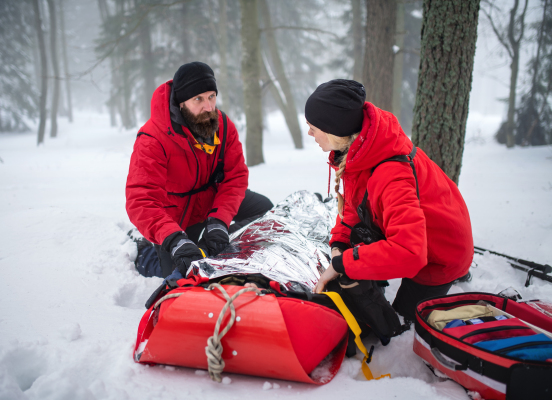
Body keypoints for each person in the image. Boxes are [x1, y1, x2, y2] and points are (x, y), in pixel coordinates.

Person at [306, 79, 473, 321]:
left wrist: (343, 264)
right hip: (417, 235)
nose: (309, 133)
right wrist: (339, 245)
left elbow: (410, 252)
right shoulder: (360, 150)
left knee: (399, 324)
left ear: (334, 129)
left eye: (313, 126)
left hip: (439, 256)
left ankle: (452, 280)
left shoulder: (391, 174)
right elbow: (353, 207)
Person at [126, 62, 273, 279]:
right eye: (198, 99)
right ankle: (145, 250)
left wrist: (219, 221)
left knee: (265, 210)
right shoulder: (152, 139)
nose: (208, 107)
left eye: (211, 96)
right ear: (181, 102)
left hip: (211, 202)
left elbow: (235, 178)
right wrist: (174, 239)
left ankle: (213, 246)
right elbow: (141, 200)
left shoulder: (222, 124)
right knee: (181, 271)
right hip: (175, 217)